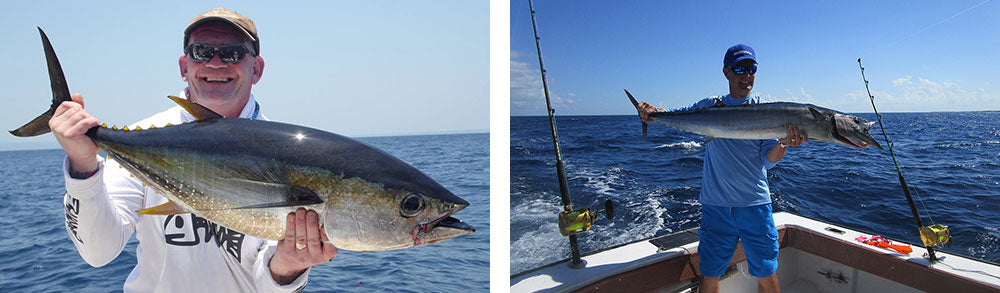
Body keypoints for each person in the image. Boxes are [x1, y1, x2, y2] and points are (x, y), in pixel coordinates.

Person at [50, 8, 336, 292]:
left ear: (257, 69)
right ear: (184, 67)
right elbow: (98, 252)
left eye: (232, 53)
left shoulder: (291, 156)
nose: (215, 62)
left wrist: (287, 267)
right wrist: (82, 165)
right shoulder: (148, 140)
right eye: (201, 52)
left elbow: (266, 283)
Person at [637, 44, 806, 293]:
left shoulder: (768, 111)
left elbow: (768, 161)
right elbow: (679, 115)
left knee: (766, 273)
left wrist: (783, 142)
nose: (746, 76)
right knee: (710, 273)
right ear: (727, 72)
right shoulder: (710, 106)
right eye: (740, 69)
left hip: (754, 205)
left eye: (751, 69)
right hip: (716, 206)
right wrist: (652, 113)